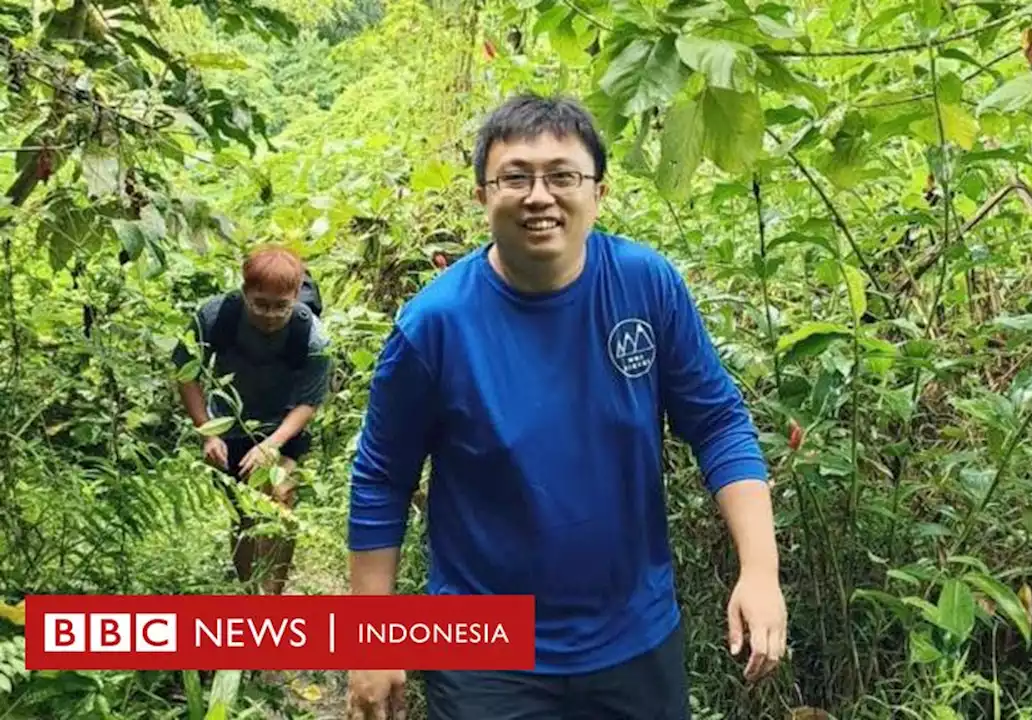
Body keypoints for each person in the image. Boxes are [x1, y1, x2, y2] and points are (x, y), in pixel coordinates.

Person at [344, 93, 787, 719]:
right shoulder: (434, 325)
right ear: (481, 196)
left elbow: (718, 426)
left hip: (634, 636)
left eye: (562, 175)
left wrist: (760, 572)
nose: (539, 196)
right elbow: (381, 480)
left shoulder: (646, 285)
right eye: (515, 177)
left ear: (599, 192)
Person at [172, 244, 331, 595]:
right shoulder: (215, 317)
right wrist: (206, 433)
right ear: (245, 293)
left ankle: (273, 594)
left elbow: (309, 401)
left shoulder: (313, 336)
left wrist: (272, 445)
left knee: (280, 496)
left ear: (295, 298)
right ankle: (250, 595)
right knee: (243, 512)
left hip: (285, 425)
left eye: (281, 306)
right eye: (260, 304)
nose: (270, 315)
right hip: (229, 422)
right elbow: (186, 374)